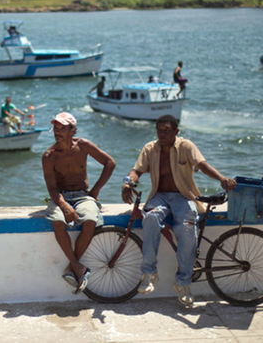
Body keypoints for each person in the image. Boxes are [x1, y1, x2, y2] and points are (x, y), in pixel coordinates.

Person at [121, 114, 236, 306]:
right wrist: (128, 182)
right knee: (150, 218)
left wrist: (222, 179)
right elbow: (137, 170)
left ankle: (184, 283)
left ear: (176, 131)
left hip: (184, 196)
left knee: (188, 228)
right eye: (159, 130)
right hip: (160, 195)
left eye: (166, 130)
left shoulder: (186, 146)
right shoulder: (150, 148)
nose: (162, 134)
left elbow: (202, 165)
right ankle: (149, 273)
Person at [42, 112, 116, 293]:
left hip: (83, 195)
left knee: (90, 220)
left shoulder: (83, 146)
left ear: (72, 131)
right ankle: (77, 267)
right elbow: (52, 188)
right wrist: (64, 206)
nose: (57, 132)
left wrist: (95, 190)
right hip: (60, 197)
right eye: (55, 128)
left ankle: (72, 266)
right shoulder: (49, 155)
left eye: (62, 129)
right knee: (58, 222)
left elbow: (110, 163)